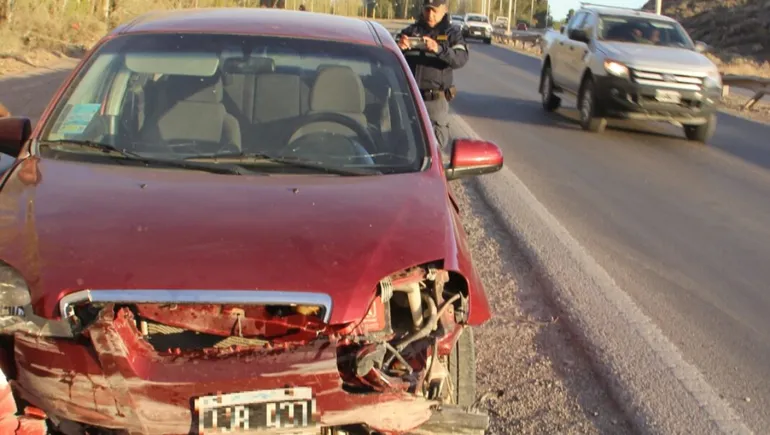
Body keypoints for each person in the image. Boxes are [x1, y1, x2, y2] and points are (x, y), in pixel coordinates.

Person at [396, 0, 468, 152]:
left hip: (435, 102)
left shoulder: (452, 34)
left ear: (445, 9)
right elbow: (388, 58)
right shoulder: (409, 32)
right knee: (404, 146)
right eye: (427, 10)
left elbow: (460, 58)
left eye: (434, 10)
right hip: (409, 100)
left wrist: (439, 49)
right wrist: (399, 48)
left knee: (434, 150)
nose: (430, 14)